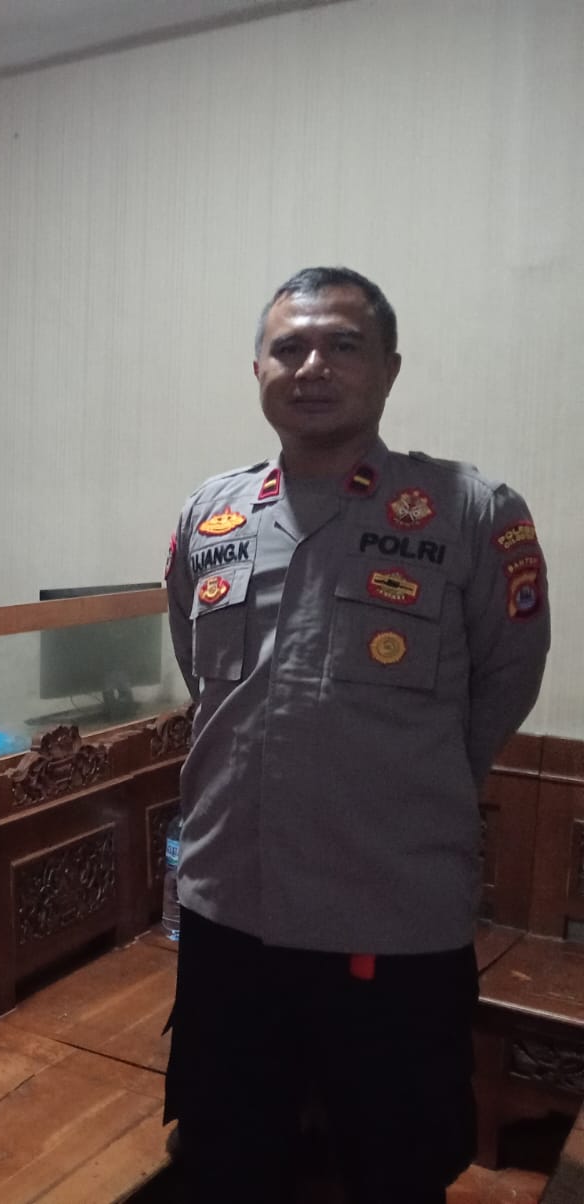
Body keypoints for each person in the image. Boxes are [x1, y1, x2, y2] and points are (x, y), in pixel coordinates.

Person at [162, 267, 549, 1203]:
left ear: (389, 369)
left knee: (397, 1169)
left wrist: (400, 786)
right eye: (289, 347)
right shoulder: (211, 515)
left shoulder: (469, 511)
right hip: (229, 915)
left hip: (390, 919)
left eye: (342, 344)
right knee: (224, 1159)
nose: (313, 366)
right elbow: (203, 677)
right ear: (257, 369)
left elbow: (507, 680)